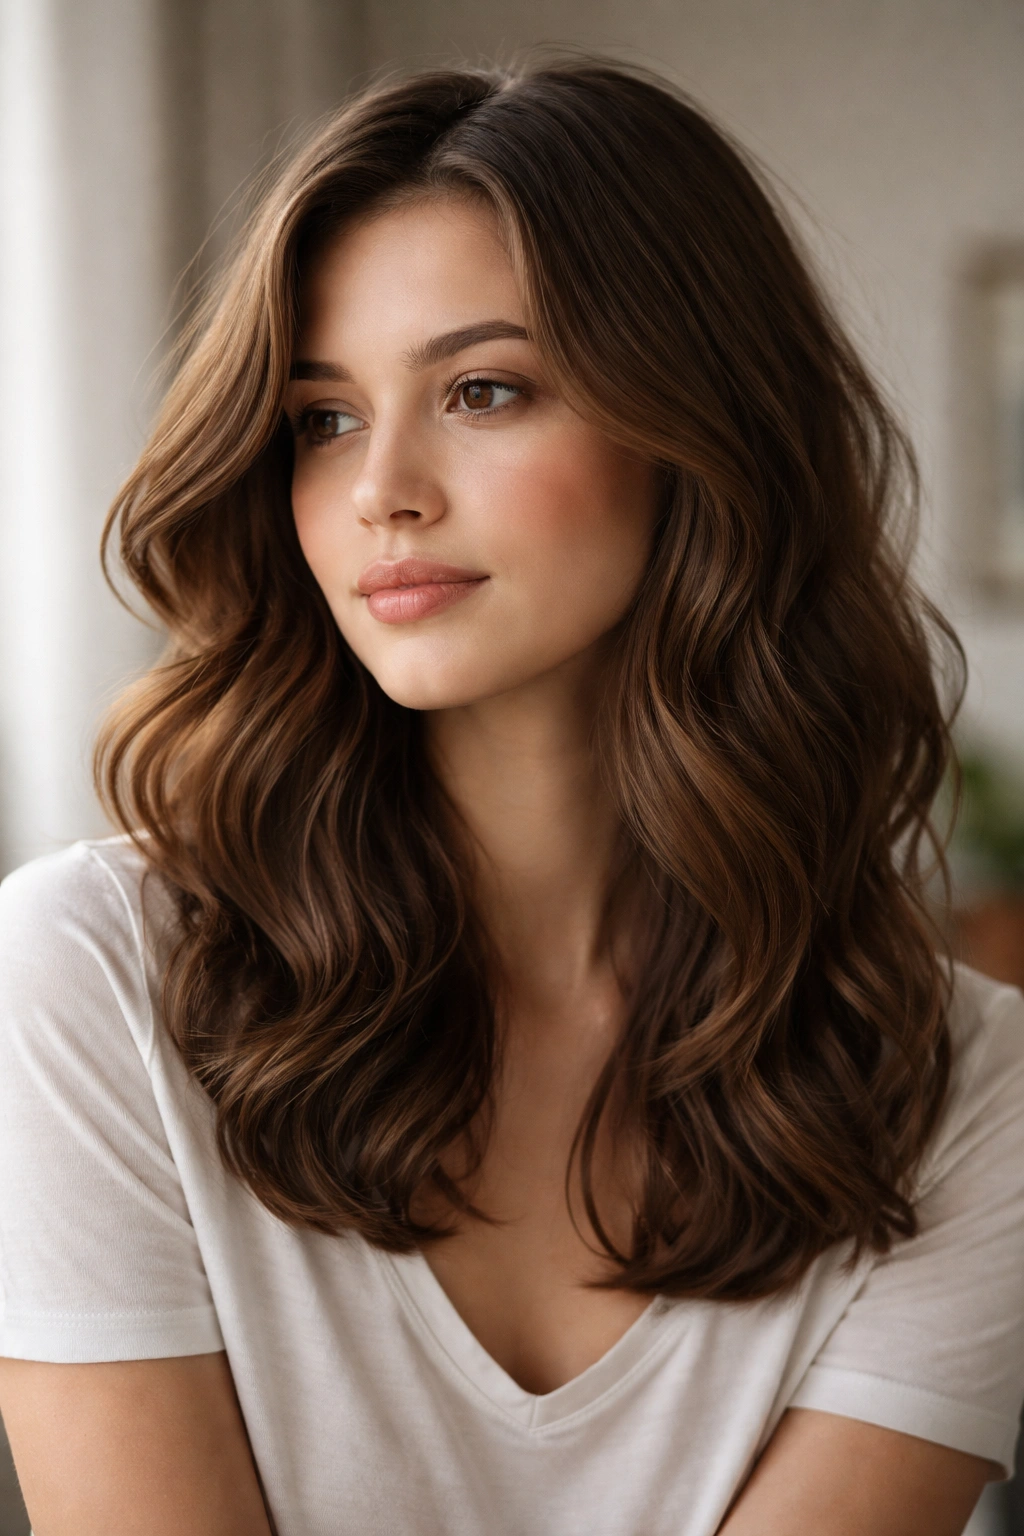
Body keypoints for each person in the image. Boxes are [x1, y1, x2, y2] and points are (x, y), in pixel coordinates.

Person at [0, 58, 1022, 1536]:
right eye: (322, 419)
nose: (383, 490)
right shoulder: (88, 982)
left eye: (484, 390)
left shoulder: (955, 1089)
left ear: (702, 438)